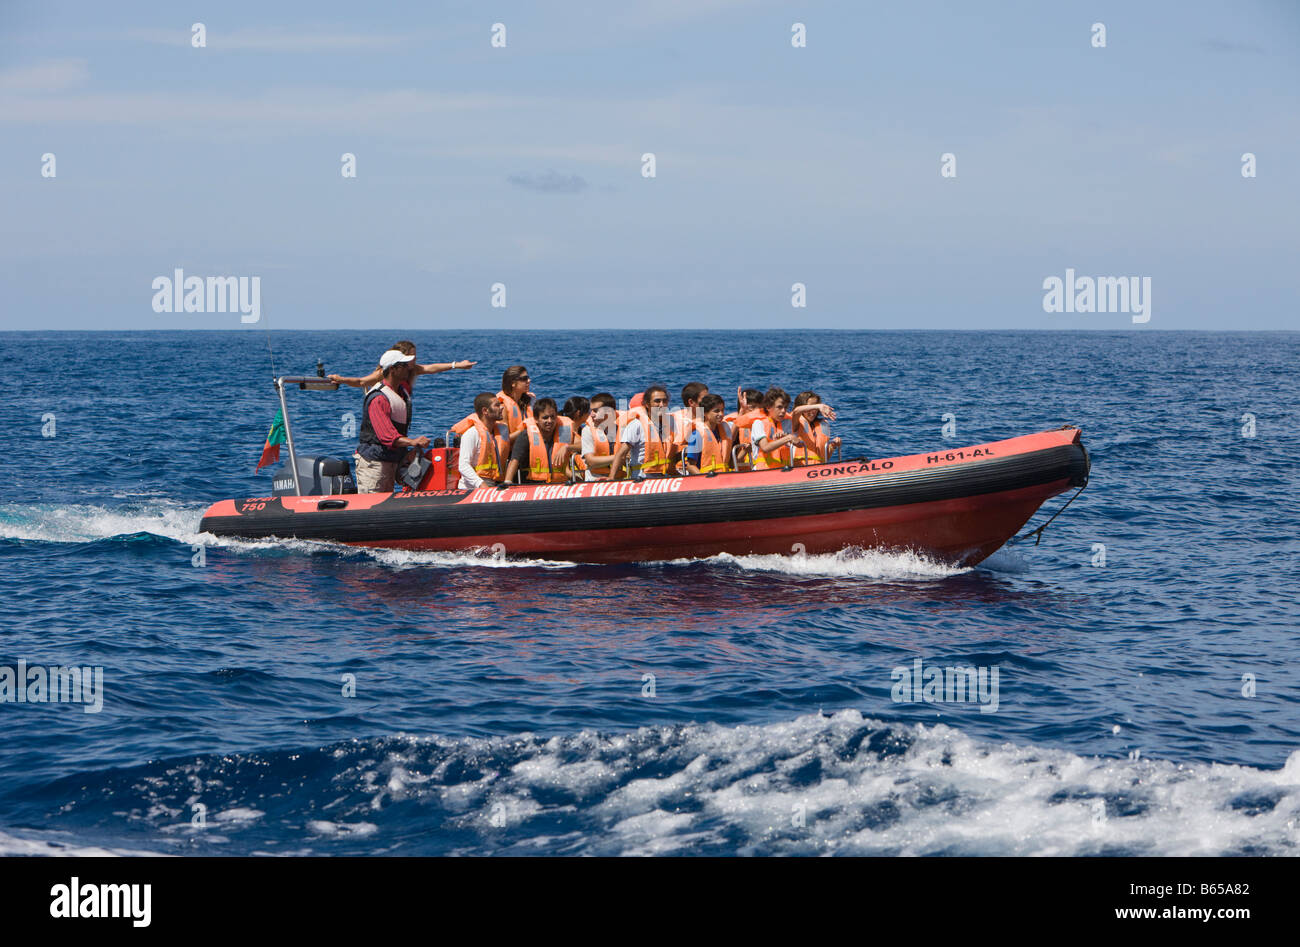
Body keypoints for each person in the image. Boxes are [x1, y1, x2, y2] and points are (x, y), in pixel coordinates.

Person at [354, 350, 432, 493]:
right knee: (373, 508)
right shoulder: (379, 398)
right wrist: (412, 442)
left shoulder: (401, 393)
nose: (409, 368)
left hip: (391, 462)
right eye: (403, 365)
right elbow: (386, 436)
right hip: (374, 464)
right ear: (392, 369)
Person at [330, 340, 475, 392]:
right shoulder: (385, 372)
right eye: (412, 357)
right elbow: (361, 382)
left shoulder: (413, 370)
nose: (415, 360)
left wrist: (457, 365)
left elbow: (431, 368)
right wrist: (341, 379)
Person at [503, 397, 580, 484]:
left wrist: (567, 447)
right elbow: (514, 460)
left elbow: (582, 445)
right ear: (536, 419)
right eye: (545, 418)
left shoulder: (564, 430)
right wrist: (507, 481)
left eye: (553, 417)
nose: (550, 421)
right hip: (532, 483)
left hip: (560, 483)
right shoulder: (526, 435)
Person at [618, 385, 678, 478]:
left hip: (664, 476)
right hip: (642, 477)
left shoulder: (670, 423)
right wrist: (611, 478)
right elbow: (621, 454)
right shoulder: (636, 425)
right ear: (647, 404)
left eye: (664, 401)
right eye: (657, 401)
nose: (662, 404)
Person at [457, 393, 510, 489]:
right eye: (497, 405)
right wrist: (481, 485)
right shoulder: (471, 434)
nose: (502, 408)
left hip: (496, 483)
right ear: (485, 411)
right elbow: (463, 466)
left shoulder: (503, 431)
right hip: (474, 486)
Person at [749, 387, 801, 470]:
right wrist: (787, 438)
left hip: (784, 470)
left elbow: (798, 443)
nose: (783, 411)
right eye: (779, 407)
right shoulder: (758, 423)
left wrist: (788, 438)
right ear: (768, 407)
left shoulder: (787, 423)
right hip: (763, 471)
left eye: (785, 407)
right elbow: (765, 447)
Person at [581, 393, 628, 481]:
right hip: (595, 479)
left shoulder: (624, 429)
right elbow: (591, 461)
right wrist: (620, 456)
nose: (591, 414)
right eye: (591, 411)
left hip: (619, 479)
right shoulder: (587, 431)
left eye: (595, 411)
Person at [683, 393, 733, 475]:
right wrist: (703, 479)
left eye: (722, 410)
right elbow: (690, 465)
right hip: (707, 478)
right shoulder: (697, 435)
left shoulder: (723, 431)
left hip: (724, 477)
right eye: (716, 411)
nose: (721, 414)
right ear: (705, 413)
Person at [789, 390, 841, 466]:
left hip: (818, 469)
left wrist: (833, 445)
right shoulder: (796, 422)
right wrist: (818, 406)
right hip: (800, 468)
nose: (813, 411)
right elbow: (796, 411)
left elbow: (825, 457)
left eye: (815, 408)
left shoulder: (822, 425)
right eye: (810, 407)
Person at [497, 365, 535, 448]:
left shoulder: (530, 400)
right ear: (513, 383)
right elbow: (504, 439)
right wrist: (526, 428)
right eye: (524, 378)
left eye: (528, 377)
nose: (529, 380)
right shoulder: (502, 406)